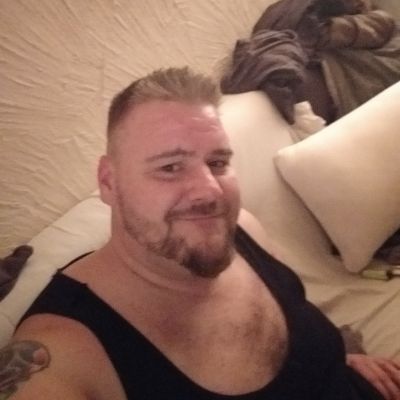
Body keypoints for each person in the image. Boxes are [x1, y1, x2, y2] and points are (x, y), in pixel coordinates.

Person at [2, 67, 400, 400]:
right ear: (109, 182)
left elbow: (298, 331)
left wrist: (339, 359)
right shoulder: (65, 348)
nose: (210, 191)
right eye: (170, 167)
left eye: (218, 161)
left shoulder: (243, 229)